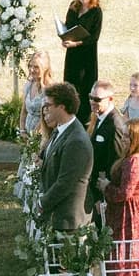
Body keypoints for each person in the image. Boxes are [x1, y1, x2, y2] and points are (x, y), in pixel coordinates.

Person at [33, 82, 93, 233]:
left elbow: (66, 183)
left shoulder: (76, 141)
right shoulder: (60, 130)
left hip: (69, 221)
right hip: (58, 216)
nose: (45, 109)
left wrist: (42, 203)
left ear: (62, 107)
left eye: (48, 105)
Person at [105, 120, 139, 276]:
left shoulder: (134, 161)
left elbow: (124, 193)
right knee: (138, 250)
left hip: (130, 215)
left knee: (128, 250)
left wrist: (106, 186)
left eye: (128, 137)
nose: (123, 139)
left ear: (138, 138)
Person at [58, 0, 103, 114]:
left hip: (87, 55)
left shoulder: (96, 11)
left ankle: (84, 120)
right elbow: (68, 25)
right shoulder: (73, 7)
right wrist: (64, 37)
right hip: (72, 54)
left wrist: (76, 43)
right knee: (70, 87)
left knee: (84, 88)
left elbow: (94, 37)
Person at [86, 80, 126, 222]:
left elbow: (117, 163)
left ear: (110, 99)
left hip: (106, 191)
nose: (92, 102)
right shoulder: (99, 117)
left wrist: (103, 197)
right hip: (97, 188)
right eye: (90, 97)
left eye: (97, 99)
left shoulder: (115, 125)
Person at [20, 50, 52, 136]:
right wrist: (22, 131)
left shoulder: (50, 88)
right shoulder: (29, 84)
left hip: (43, 135)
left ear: (45, 68)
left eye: (36, 67)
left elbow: (48, 116)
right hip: (26, 134)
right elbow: (24, 110)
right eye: (30, 66)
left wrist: (34, 136)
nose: (31, 70)